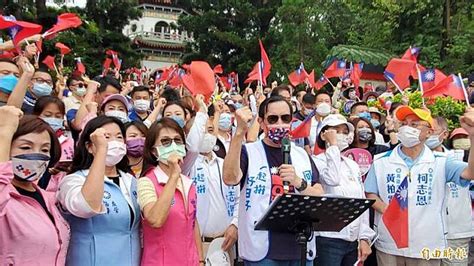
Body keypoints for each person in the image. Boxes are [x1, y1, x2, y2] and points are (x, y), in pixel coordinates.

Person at [365, 106, 474, 265]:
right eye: (404, 123)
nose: (407, 128)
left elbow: (470, 173)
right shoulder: (381, 161)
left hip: (427, 245)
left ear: (429, 132)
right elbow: (370, 193)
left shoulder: (441, 161)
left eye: (414, 124)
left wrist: (472, 135)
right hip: (390, 243)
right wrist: (389, 212)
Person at [223, 95, 324, 265]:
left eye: (285, 118)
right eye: (273, 119)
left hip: (300, 246)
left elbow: (319, 193)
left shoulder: (301, 154)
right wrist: (240, 132)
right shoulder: (249, 152)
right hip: (263, 249)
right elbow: (230, 178)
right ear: (262, 122)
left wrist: (298, 182)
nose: (279, 124)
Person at [57, 116, 141, 266]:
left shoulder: (131, 181)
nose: (113, 142)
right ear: (89, 146)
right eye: (105, 137)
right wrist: (101, 151)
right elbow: (85, 207)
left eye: (119, 137)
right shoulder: (74, 180)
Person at [0, 109, 70, 265]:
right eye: (25, 147)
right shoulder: (5, 197)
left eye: (45, 149)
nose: (36, 155)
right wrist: (5, 132)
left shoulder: (48, 198)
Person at [138, 118, 204, 266]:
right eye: (166, 142)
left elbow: (193, 224)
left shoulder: (188, 183)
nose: (173, 146)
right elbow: (155, 220)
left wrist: (200, 260)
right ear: (154, 151)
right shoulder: (147, 182)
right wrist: (173, 176)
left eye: (177, 140)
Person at [312, 114, 375, 265]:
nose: (341, 135)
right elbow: (332, 178)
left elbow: (361, 202)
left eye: (345, 132)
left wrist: (364, 237)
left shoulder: (351, 164)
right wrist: (332, 145)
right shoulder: (315, 161)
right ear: (323, 133)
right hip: (328, 239)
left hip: (352, 240)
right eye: (336, 130)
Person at [190, 111, 239, 264]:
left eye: (210, 130)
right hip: (198, 245)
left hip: (225, 243)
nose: (206, 134)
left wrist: (235, 224)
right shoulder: (187, 166)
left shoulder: (225, 164)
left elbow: (239, 197)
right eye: (202, 130)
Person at [427, 117, 472, 266]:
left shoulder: (459, 157)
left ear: (445, 134)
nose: (428, 135)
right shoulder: (414, 160)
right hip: (426, 235)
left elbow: (470, 172)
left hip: (455, 233)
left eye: (433, 131)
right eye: (427, 131)